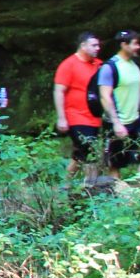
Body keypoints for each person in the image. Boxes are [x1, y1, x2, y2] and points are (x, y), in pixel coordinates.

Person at [99, 29, 140, 174]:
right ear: (124, 45)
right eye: (135, 44)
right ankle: (117, 188)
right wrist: (116, 123)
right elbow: (105, 96)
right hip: (118, 122)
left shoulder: (134, 65)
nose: (138, 47)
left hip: (137, 119)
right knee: (116, 163)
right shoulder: (110, 67)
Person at [53, 31, 106, 177]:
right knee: (90, 152)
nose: (98, 48)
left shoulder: (98, 65)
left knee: (80, 153)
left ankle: (65, 184)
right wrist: (61, 118)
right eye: (94, 45)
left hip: (94, 117)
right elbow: (59, 91)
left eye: (98, 45)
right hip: (76, 116)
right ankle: (92, 185)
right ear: (83, 46)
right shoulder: (68, 64)